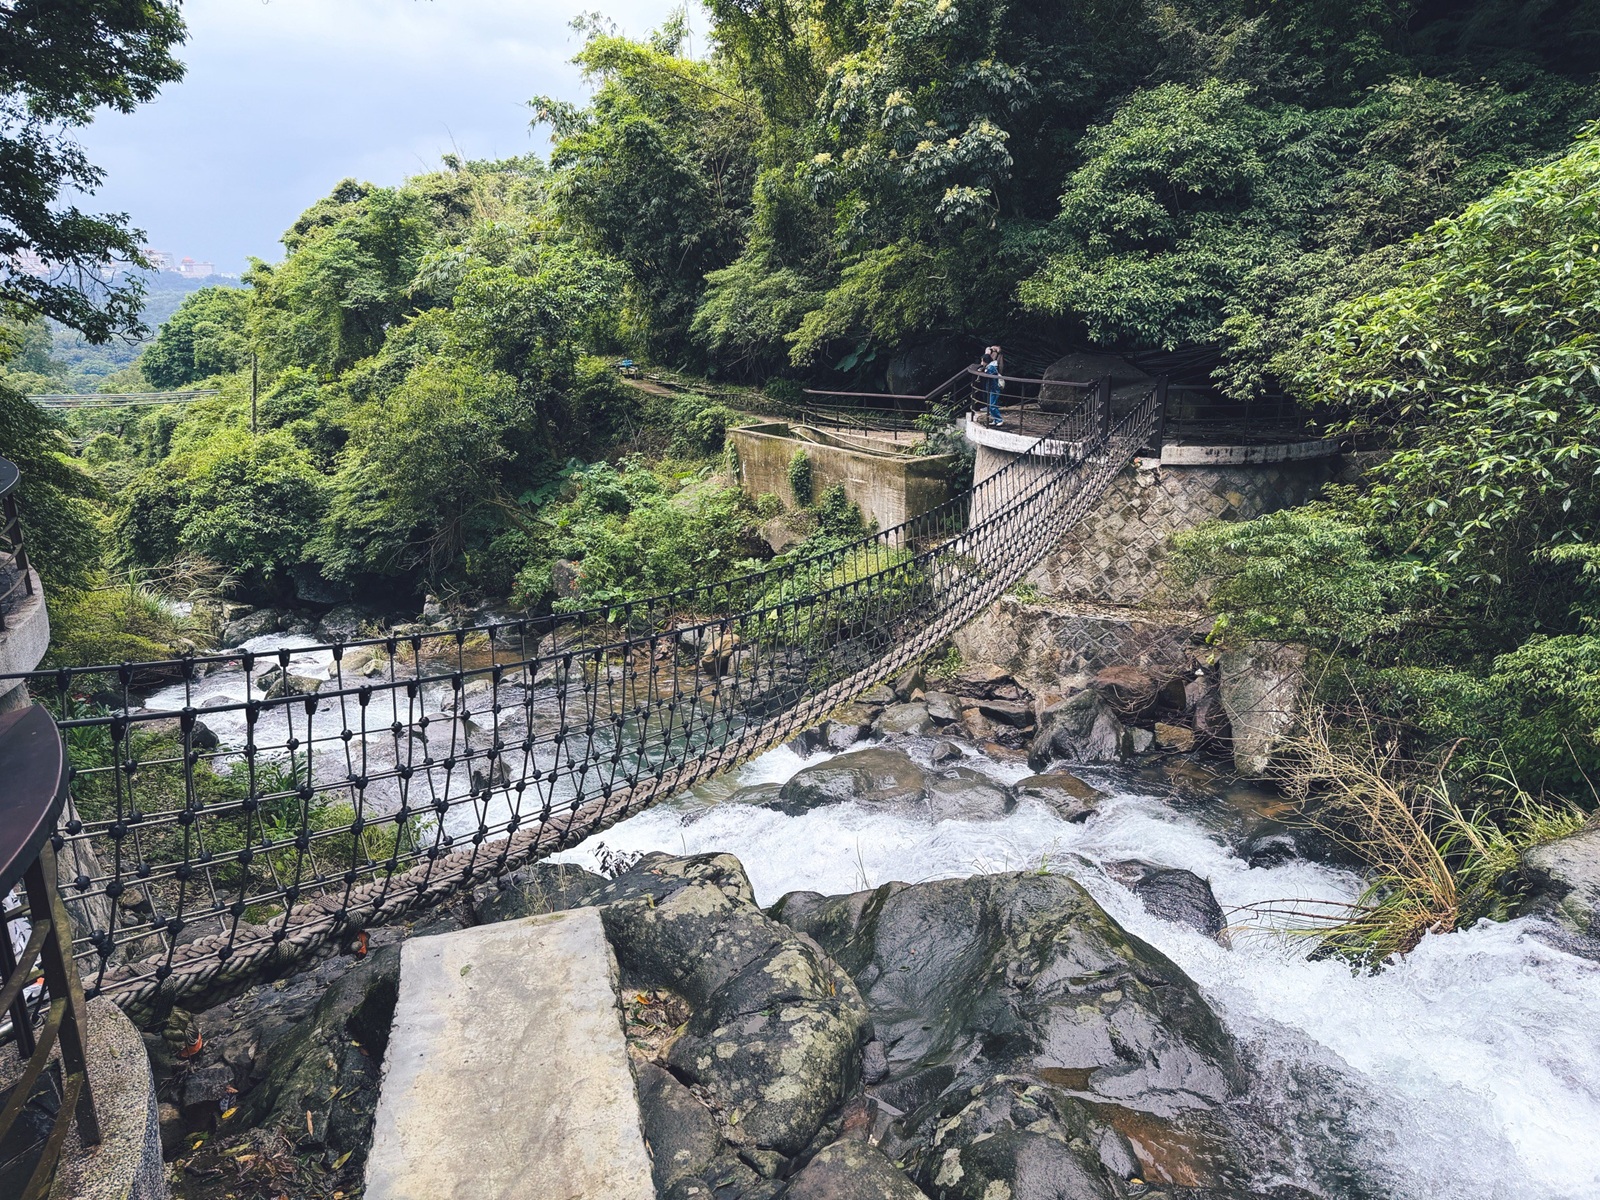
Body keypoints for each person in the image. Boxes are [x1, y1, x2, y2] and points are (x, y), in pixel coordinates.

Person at [983, 344, 1004, 426]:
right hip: (992, 388)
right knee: (991, 405)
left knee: (992, 405)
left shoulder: (991, 367)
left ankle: (999, 420)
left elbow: (990, 374)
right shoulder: (991, 365)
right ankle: (996, 419)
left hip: (994, 389)